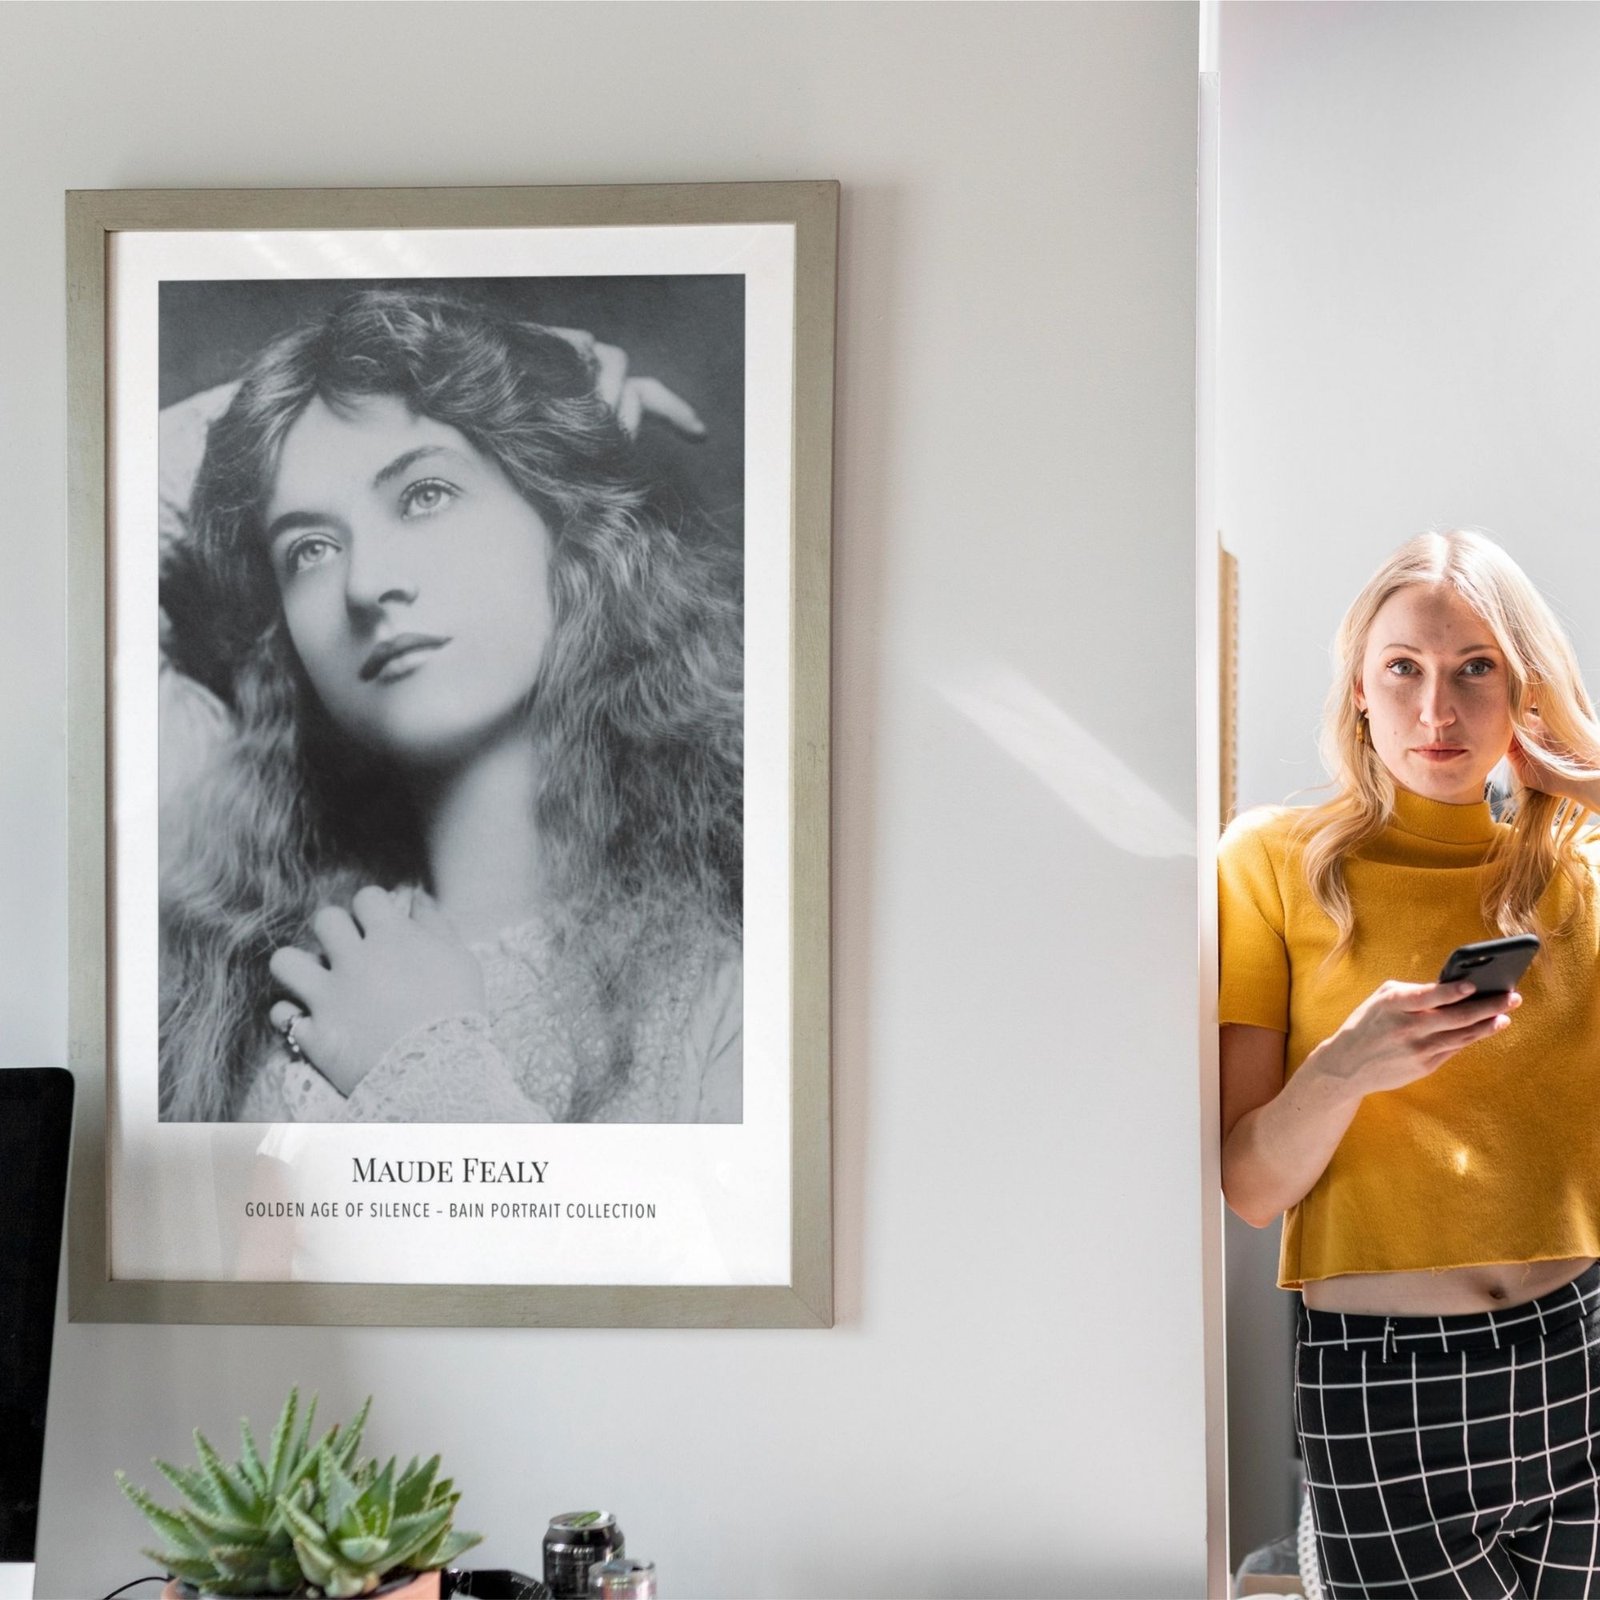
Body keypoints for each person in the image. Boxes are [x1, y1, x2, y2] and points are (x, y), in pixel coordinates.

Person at [158, 286, 743, 1125]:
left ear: (564, 519)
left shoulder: (734, 975)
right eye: (311, 548)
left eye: (424, 495)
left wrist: (421, 1059)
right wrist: (480, 355)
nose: (365, 584)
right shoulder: (251, 970)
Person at [1219, 530, 1600, 1598]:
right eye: (1403, 668)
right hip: (1386, 1381)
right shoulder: (1273, 861)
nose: (1437, 710)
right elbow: (1250, 1186)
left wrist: (1583, 776)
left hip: (1583, 1343)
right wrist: (1344, 1069)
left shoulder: (1577, 865)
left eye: (1476, 668)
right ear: (1358, 687)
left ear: (1523, 687)